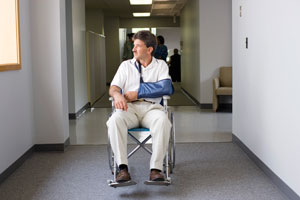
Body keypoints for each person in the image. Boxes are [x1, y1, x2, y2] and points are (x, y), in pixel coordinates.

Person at [107, 30, 174, 183]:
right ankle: (122, 169)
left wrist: (138, 93)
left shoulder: (161, 65)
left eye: (137, 46)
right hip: (129, 109)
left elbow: (166, 88)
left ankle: (156, 169)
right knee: (115, 120)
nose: (133, 49)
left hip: (152, 109)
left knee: (163, 120)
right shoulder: (125, 66)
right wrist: (117, 95)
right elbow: (114, 88)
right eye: (133, 45)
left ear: (149, 49)